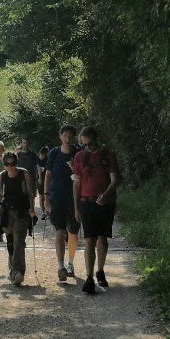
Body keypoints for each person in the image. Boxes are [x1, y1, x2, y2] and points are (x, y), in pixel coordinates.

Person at [71, 125, 120, 295]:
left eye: (89, 144)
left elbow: (115, 180)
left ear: (96, 139)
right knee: (89, 239)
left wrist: (106, 195)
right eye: (83, 145)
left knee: (103, 238)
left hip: (106, 204)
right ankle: (89, 277)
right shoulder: (79, 157)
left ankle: (100, 270)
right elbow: (76, 183)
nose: (86, 148)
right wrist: (76, 207)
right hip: (87, 202)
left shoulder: (109, 155)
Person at [43, 125, 82, 282]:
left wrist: (74, 170)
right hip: (57, 197)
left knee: (73, 233)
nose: (67, 139)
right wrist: (45, 197)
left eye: (70, 136)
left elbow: (84, 176)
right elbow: (48, 175)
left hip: (74, 199)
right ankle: (61, 266)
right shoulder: (54, 153)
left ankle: (70, 263)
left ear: (73, 137)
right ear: (60, 136)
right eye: (65, 135)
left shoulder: (78, 152)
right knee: (59, 232)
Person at [0, 150, 33, 286]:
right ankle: (12, 269)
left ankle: (18, 272)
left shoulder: (24, 173)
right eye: (7, 164)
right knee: (10, 241)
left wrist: (32, 208)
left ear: (16, 162)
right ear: (4, 164)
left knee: (19, 242)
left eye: (13, 163)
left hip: (22, 211)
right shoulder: (1, 175)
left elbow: (30, 192)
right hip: (6, 212)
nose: (10, 166)